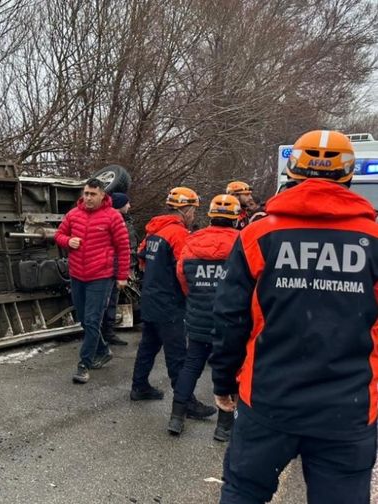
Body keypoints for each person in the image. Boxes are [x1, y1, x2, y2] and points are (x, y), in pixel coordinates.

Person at [211, 130, 378, 503]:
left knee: (243, 492)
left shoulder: (257, 235)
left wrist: (223, 380)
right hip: (347, 407)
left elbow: (229, 317)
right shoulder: (373, 238)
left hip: (268, 398)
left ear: (293, 171)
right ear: (349, 175)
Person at [129, 187, 215, 418]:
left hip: (151, 297)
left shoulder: (154, 230)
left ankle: (139, 386)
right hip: (170, 302)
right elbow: (184, 268)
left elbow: (141, 258)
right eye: (193, 210)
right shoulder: (178, 234)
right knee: (178, 354)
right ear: (185, 209)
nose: (194, 215)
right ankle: (186, 403)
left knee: (148, 346)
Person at [167, 194, 241, 439]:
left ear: (210, 216)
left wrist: (197, 298)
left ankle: (176, 417)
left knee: (191, 365)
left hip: (198, 316)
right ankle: (224, 426)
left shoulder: (192, 242)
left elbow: (182, 278)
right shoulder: (242, 243)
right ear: (236, 218)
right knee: (230, 370)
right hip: (230, 320)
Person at [55, 179, 131, 384]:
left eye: (92, 194)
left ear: (102, 195)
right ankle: (103, 349)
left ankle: (84, 365)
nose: (88, 198)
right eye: (86, 193)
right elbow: (59, 234)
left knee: (92, 320)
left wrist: (122, 276)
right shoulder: (73, 214)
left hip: (101, 276)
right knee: (83, 318)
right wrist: (67, 241)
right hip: (77, 275)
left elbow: (123, 248)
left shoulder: (113, 217)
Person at [100, 192, 136, 347]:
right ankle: (104, 335)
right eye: (127, 203)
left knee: (111, 302)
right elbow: (121, 248)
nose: (129, 206)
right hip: (109, 269)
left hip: (113, 268)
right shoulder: (114, 221)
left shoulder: (118, 219)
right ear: (120, 204)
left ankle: (107, 333)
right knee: (106, 303)